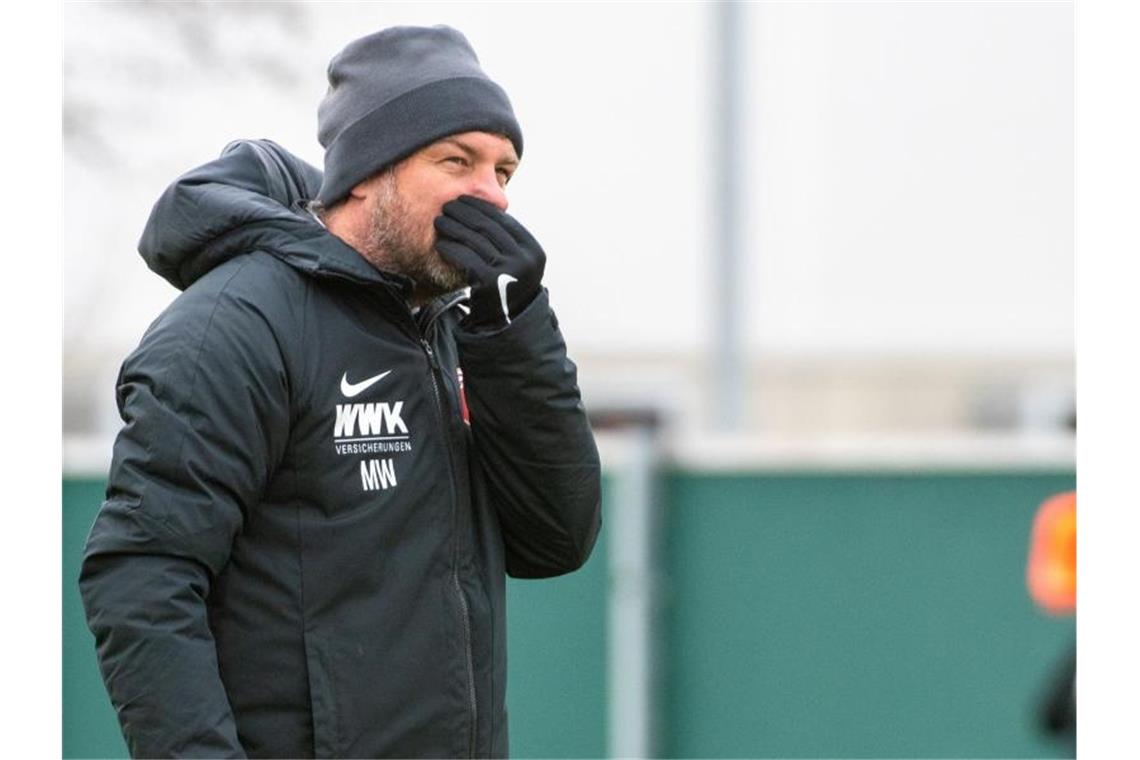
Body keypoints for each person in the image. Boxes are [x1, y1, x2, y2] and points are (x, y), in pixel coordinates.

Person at [79, 25, 602, 759]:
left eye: (504, 171)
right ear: (365, 172)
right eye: (457, 162)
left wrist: (513, 334)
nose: (491, 197)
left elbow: (557, 538)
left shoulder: (457, 333)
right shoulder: (236, 326)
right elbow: (141, 577)